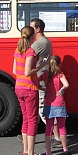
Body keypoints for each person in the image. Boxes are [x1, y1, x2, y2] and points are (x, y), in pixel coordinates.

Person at [13, 26, 47, 155]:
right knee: (33, 121)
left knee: (26, 119)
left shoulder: (17, 50)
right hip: (29, 88)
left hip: (19, 87)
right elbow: (28, 72)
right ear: (33, 37)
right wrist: (40, 66)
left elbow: (15, 70)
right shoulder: (30, 51)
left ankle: (26, 151)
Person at [30, 18, 61, 147]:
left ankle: (57, 137)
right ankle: (30, 132)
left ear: (37, 29)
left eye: (31, 27)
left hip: (40, 79)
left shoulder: (38, 44)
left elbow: (26, 53)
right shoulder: (46, 41)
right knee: (38, 108)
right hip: (43, 77)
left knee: (43, 109)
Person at [39, 55, 70, 155]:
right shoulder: (60, 75)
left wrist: (43, 88)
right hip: (59, 103)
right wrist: (61, 90)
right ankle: (65, 149)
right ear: (59, 64)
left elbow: (36, 81)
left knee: (49, 128)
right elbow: (66, 84)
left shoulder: (45, 75)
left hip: (49, 104)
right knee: (62, 127)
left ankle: (48, 152)